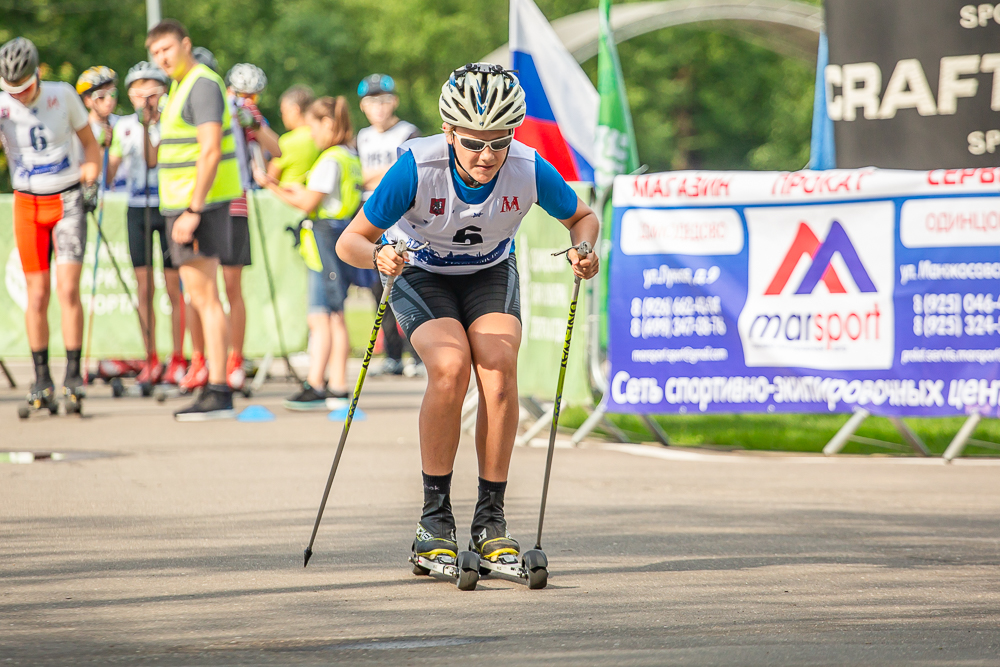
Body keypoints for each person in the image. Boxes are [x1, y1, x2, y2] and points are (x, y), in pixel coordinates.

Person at [336, 63, 599, 565]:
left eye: (498, 142)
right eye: (474, 142)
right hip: (421, 272)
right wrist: (377, 256)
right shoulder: (416, 166)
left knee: (498, 371)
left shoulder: (527, 164)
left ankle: (490, 520)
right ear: (450, 132)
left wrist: (584, 249)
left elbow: (582, 217)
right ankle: (434, 518)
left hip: (488, 272)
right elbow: (352, 239)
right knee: (451, 366)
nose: (487, 155)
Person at [147, 20, 242, 420]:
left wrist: (193, 210)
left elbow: (209, 151)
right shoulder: (177, 89)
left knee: (206, 299)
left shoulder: (201, 84)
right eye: (155, 53)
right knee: (199, 298)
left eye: (167, 48)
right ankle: (214, 386)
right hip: (185, 206)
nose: (162, 58)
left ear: (185, 44)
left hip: (197, 207)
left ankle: (218, 389)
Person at [0, 37, 101, 408]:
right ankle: (40, 377)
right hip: (27, 201)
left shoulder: (63, 96)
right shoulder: (3, 106)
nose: (20, 97)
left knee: (67, 290)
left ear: (37, 77)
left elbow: (90, 145)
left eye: (25, 89)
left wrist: (91, 178)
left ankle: (72, 375)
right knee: (37, 293)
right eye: (11, 90)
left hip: (67, 198)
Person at [255, 96, 360, 410]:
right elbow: (311, 193)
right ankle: (322, 381)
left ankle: (331, 383)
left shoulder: (331, 159)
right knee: (325, 315)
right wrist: (282, 186)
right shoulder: (347, 156)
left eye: (314, 129)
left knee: (331, 315)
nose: (311, 136)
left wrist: (271, 187)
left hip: (327, 239)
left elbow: (308, 202)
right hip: (333, 238)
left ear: (327, 124)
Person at [106, 61, 187, 386]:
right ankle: (150, 354)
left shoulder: (169, 121)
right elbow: (108, 173)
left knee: (173, 287)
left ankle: (178, 357)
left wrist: (149, 125)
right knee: (144, 288)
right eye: (139, 92)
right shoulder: (124, 125)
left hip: (166, 208)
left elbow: (154, 158)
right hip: (136, 209)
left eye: (152, 91)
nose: (146, 99)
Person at [355, 73, 422, 378]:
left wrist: (377, 174)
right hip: (371, 215)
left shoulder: (408, 133)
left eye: (384, 101)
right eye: (372, 103)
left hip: (401, 216)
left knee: (409, 282)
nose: (379, 108)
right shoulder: (362, 137)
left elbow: (404, 172)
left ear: (394, 102)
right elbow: (357, 175)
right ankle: (392, 353)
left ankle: (417, 354)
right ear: (363, 107)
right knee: (377, 287)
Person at [75, 66, 122, 189]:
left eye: (113, 94)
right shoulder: (78, 129)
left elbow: (109, 177)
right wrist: (100, 148)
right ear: (87, 100)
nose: (109, 101)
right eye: (101, 96)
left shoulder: (122, 124)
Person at [268, 85, 318, 186]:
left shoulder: (287, 141)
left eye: (283, 111)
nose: (282, 117)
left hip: (285, 197)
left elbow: (270, 178)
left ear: (295, 110)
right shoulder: (320, 137)